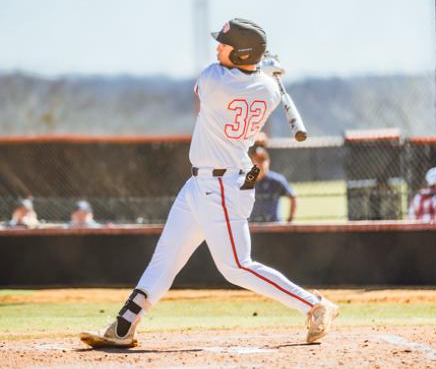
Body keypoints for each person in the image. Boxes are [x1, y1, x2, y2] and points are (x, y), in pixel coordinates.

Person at [80, 18, 338, 348]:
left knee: (236, 267)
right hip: (204, 183)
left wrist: (263, 68)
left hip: (224, 185)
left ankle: (315, 305)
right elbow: (254, 80)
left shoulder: (214, 81)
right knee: (166, 257)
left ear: (243, 54)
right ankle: (124, 324)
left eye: (225, 45)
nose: (218, 47)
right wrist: (266, 71)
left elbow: (232, 78)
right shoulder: (271, 91)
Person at [249, 146, 297, 223]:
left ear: (268, 161)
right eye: (257, 160)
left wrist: (289, 220)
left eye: (263, 160)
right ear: (252, 162)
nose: (260, 163)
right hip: (253, 225)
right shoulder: (248, 181)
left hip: (273, 224)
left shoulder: (276, 180)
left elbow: (293, 197)